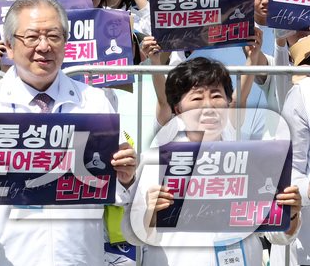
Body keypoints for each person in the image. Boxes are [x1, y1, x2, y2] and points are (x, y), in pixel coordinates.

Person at [0, 0, 138, 266]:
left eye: (54, 36)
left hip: (78, 255)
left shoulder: (95, 101)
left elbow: (118, 195)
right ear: (9, 45)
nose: (44, 46)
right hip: (9, 255)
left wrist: (125, 178)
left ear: (65, 43)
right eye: (31, 37)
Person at [126, 57, 301, 265]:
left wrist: (289, 214)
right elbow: (131, 233)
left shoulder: (251, 158)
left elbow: (276, 234)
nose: (208, 106)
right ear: (178, 109)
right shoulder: (157, 161)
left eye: (216, 96)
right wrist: (149, 212)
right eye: (197, 98)